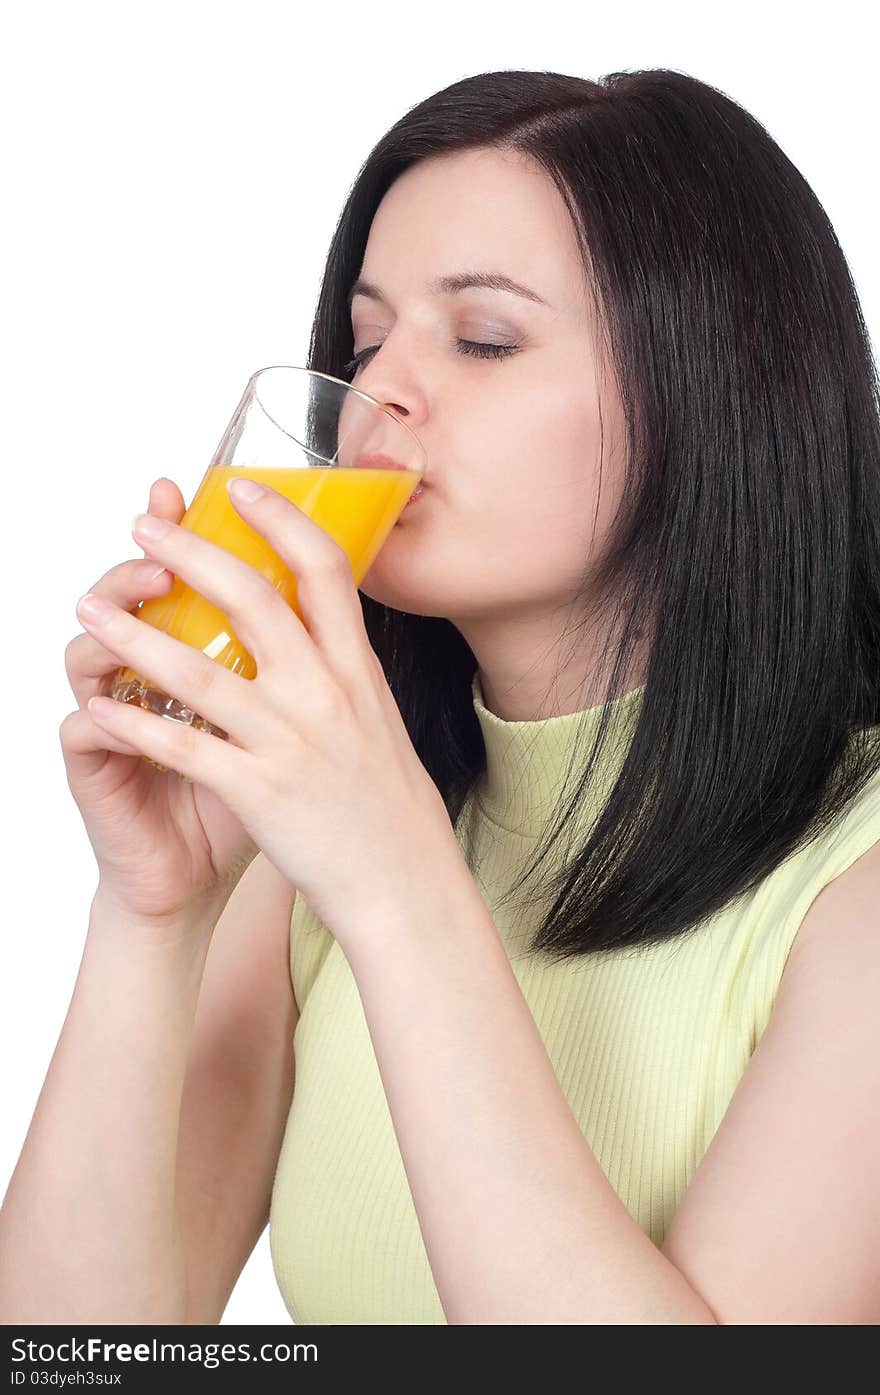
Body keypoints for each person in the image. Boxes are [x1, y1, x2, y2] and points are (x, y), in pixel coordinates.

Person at [2, 65, 880, 1326]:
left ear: (714, 390)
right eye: (366, 340)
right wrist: (157, 913)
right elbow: (76, 1356)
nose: (379, 397)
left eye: (482, 340)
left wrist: (396, 881)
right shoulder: (309, 846)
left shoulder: (849, 875)